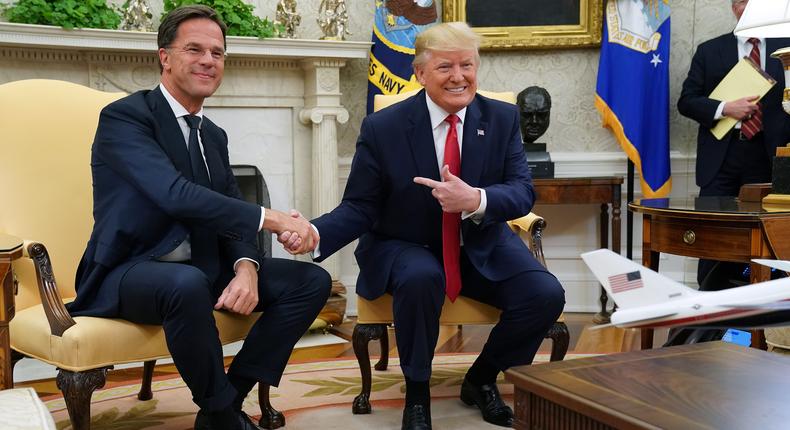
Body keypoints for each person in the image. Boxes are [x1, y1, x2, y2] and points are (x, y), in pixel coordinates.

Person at [282, 22, 564, 429]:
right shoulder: (384, 127)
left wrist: (476, 199)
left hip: (480, 242)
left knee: (545, 293)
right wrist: (315, 231)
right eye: (445, 66)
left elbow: (522, 192)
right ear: (420, 73)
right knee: (420, 277)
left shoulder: (501, 118)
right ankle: (418, 394)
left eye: (467, 65)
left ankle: (481, 379)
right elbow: (360, 206)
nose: (459, 76)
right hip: (403, 243)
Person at [66, 6, 331, 430]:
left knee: (311, 281)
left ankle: (225, 402)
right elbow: (175, 195)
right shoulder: (126, 117)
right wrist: (273, 219)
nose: (208, 60)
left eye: (218, 53)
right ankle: (225, 415)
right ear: (164, 56)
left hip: (203, 268)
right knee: (185, 283)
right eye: (194, 49)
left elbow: (226, 205)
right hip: (131, 270)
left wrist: (247, 267)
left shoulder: (213, 134)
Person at [678, 0, 790, 289]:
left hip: (770, 158)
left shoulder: (786, 49)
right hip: (722, 158)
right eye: (741, 1)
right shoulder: (710, 50)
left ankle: (764, 307)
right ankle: (709, 307)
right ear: (733, 7)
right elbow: (687, 101)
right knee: (713, 235)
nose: (748, 6)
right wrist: (725, 108)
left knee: (767, 237)